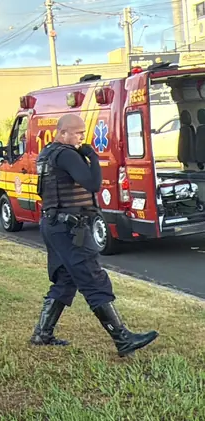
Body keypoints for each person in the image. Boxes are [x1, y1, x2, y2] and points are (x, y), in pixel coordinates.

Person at [30, 114, 158, 357]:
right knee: (92, 277)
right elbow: (93, 184)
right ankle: (122, 339)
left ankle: (42, 333)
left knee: (65, 278)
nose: (82, 137)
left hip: (53, 224)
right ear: (63, 132)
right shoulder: (67, 154)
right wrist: (93, 158)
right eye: (78, 133)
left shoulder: (47, 153)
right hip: (69, 228)